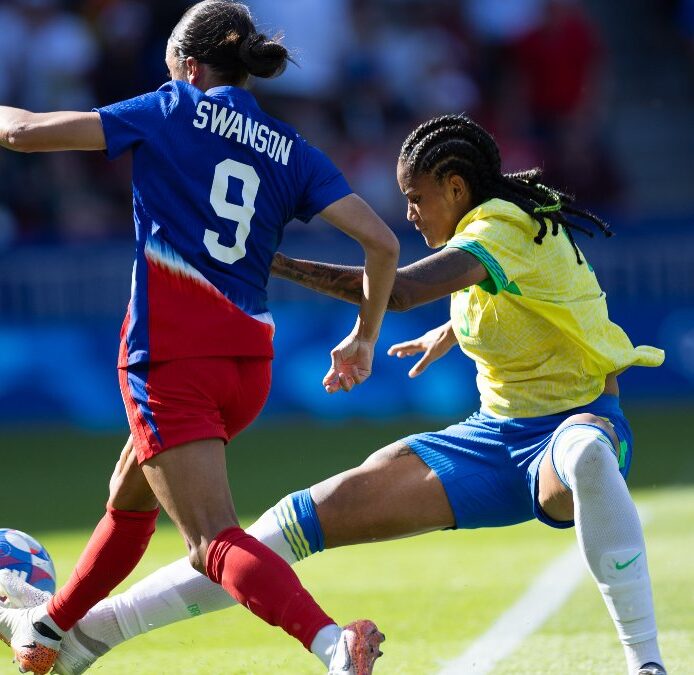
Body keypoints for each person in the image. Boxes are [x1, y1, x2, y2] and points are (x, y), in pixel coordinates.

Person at [2, 112, 667, 675]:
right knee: (287, 523)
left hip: (573, 425)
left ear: (456, 186)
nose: (407, 211)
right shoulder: (494, 235)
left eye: (416, 197)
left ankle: (646, 662)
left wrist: (277, 261)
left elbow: (399, 288)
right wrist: (453, 333)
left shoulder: (501, 227)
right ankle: (90, 637)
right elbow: (539, 302)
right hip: (490, 440)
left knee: (583, 453)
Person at [0, 2, 399, 674]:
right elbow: (382, 242)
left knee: (210, 538)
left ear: (188, 66)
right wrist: (364, 337)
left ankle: (333, 643)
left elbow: (25, 134)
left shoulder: (172, 108)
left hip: (173, 357)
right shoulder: (289, 146)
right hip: (246, 370)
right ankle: (47, 634)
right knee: (130, 491)